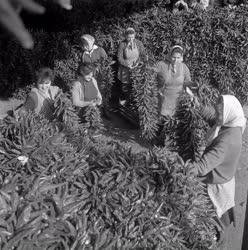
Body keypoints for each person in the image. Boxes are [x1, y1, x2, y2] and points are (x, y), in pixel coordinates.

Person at [190, 95, 246, 248]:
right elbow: (215, 117)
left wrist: (183, 168)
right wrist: (199, 107)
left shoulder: (226, 141)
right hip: (225, 174)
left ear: (228, 113)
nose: (218, 116)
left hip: (216, 181)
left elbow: (202, 167)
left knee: (207, 213)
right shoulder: (235, 122)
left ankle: (212, 238)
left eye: (221, 113)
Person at [153, 44, 192, 117]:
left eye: (178, 57)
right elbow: (151, 75)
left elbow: (187, 82)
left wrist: (193, 86)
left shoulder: (184, 67)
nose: (176, 60)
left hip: (178, 101)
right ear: (170, 56)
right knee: (162, 120)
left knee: (174, 121)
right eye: (174, 57)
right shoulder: (161, 65)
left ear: (181, 57)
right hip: (163, 100)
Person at [117, 27, 147, 105]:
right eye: (128, 37)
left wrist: (139, 62)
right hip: (125, 69)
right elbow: (119, 58)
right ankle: (125, 100)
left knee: (136, 85)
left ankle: (134, 102)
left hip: (137, 68)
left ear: (134, 36)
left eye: (132, 37)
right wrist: (127, 64)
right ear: (125, 36)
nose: (130, 39)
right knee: (125, 86)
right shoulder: (122, 44)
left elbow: (143, 55)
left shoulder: (139, 43)